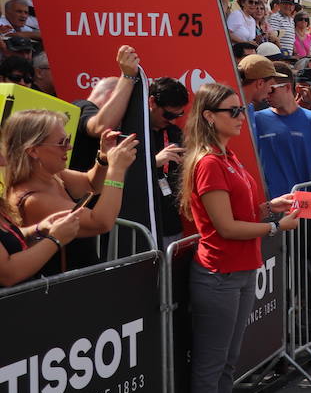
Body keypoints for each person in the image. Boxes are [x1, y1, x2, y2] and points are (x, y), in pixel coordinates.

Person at [180, 82, 300, 393]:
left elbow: (242, 216)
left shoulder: (227, 157)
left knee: (228, 360)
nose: (240, 116)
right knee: (212, 362)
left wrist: (270, 207)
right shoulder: (210, 162)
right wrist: (275, 227)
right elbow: (225, 228)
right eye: (232, 111)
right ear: (209, 117)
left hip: (241, 270)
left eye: (240, 110)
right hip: (219, 273)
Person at [3, 110, 139, 275]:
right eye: (62, 142)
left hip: (78, 274)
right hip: (62, 285)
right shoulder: (33, 198)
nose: (69, 146)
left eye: (68, 139)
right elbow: (101, 222)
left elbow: (91, 184)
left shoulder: (51, 174)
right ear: (33, 151)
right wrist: (117, 170)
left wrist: (103, 158)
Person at [253, 63, 311, 199]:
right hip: (267, 204)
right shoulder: (255, 119)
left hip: (300, 203)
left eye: (271, 90)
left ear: (288, 87)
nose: (266, 95)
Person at [147, 77, 190, 243]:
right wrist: (153, 162)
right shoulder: (130, 130)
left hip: (171, 223)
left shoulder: (174, 132)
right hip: (143, 225)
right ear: (152, 102)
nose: (172, 120)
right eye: (168, 114)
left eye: (178, 115)